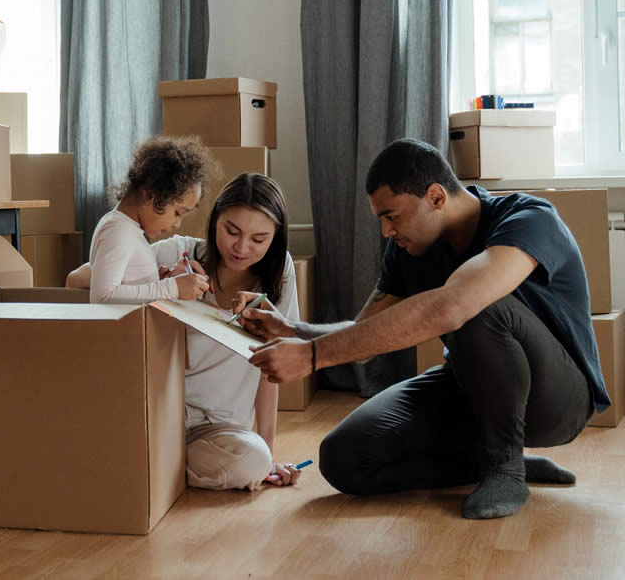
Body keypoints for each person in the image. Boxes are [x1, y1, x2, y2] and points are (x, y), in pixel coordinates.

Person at [234, 139, 609, 519]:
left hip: (558, 401)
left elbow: (455, 305)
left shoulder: (529, 218)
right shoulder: (409, 248)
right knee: (343, 458)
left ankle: (505, 467)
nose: (385, 231)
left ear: (436, 197)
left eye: (392, 216)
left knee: (476, 304)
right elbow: (365, 335)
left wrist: (313, 358)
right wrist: (293, 330)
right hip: (471, 389)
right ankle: (486, 461)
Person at [68, 172, 304, 490]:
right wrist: (162, 284)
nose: (242, 247)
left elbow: (270, 368)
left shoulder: (280, 275)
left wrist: (269, 454)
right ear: (214, 220)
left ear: (275, 238)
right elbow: (77, 279)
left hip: (219, 430)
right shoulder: (177, 253)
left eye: (259, 239)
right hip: (160, 416)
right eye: (231, 231)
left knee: (254, 461)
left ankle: (153, 468)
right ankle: (155, 466)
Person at [88, 137, 212, 304]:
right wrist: (172, 288)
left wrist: (155, 281)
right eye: (177, 213)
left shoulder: (128, 230)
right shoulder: (118, 230)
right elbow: (103, 296)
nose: (177, 224)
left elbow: (126, 288)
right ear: (150, 194)